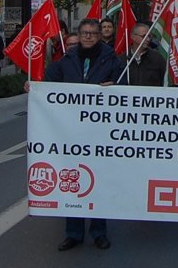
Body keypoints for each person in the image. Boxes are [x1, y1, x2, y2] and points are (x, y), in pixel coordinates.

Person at [44, 18, 124, 251]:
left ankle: (99, 231)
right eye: (84, 33)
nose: (88, 36)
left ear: (100, 35)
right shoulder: (66, 60)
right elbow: (48, 86)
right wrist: (34, 88)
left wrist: (116, 86)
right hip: (71, 132)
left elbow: (125, 85)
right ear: (78, 35)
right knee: (73, 180)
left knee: (98, 181)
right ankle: (73, 232)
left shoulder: (111, 59)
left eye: (93, 33)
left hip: (101, 132)